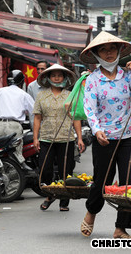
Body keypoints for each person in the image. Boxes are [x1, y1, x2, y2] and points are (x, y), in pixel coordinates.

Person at [80, 31, 131, 239]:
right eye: (104, 49)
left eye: (112, 49)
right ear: (97, 54)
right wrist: (97, 130)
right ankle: (92, 212)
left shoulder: (127, 75)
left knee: (129, 182)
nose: (109, 53)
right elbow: (89, 109)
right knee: (103, 180)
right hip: (104, 137)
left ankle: (121, 228)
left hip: (129, 135)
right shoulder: (93, 80)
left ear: (119, 51)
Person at [33, 64, 85, 212]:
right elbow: (37, 118)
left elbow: (76, 118)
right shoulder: (41, 95)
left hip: (66, 138)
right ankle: (50, 195)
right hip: (46, 137)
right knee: (45, 169)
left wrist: (79, 138)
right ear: (48, 78)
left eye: (59, 75)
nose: (56, 78)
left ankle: (64, 201)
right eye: (53, 75)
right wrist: (35, 138)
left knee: (65, 171)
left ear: (64, 78)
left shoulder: (70, 95)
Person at [28, 60, 50, 128]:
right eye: (38, 69)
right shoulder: (31, 86)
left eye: (42, 69)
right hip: (38, 123)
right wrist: (33, 126)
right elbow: (31, 108)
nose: (40, 71)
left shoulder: (53, 85)